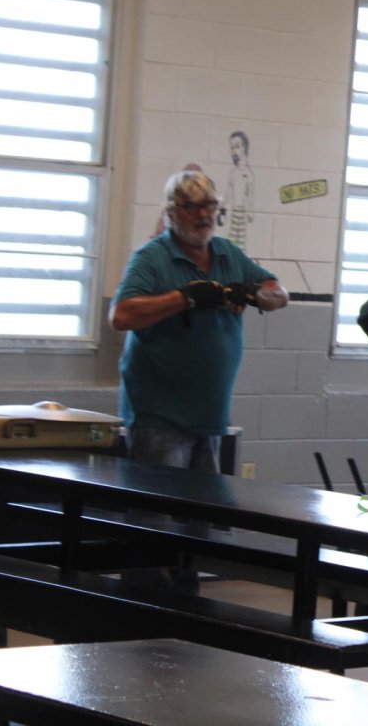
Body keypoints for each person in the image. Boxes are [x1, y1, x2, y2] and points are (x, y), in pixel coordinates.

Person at [110, 169, 287, 588]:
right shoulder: (153, 257)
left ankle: (188, 609)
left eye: (209, 206)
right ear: (172, 212)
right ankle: (142, 609)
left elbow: (279, 293)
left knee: (200, 524)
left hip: (209, 418)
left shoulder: (226, 253)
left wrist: (256, 294)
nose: (203, 215)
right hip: (159, 419)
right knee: (154, 524)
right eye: (192, 207)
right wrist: (185, 297)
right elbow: (122, 315)